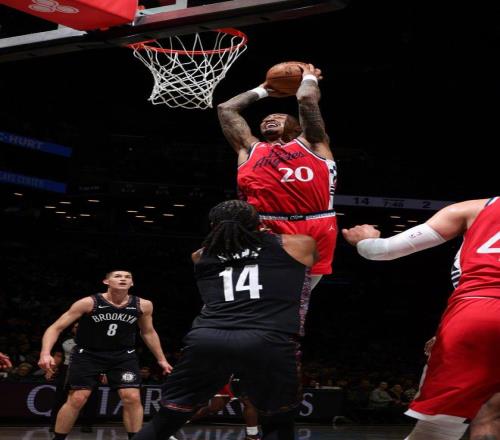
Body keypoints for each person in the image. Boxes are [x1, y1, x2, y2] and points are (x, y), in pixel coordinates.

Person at [132, 199, 317, 440]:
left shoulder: (200, 256)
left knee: (166, 420)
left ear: (214, 226)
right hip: (267, 339)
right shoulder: (298, 244)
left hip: (208, 339)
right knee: (277, 423)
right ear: (259, 223)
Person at [342, 197, 500, 440]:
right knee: (491, 414)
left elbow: (383, 250)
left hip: (475, 314)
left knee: (437, 431)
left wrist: (365, 240)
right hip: (477, 314)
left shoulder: (473, 208)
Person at [217, 63, 336, 289]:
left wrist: (308, 78)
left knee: (296, 299)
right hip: (263, 225)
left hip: (315, 223)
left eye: (279, 116)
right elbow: (226, 109)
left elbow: (306, 99)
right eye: (265, 118)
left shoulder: (314, 143)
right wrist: (263, 90)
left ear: (296, 127)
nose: (269, 118)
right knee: (257, 296)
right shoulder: (249, 149)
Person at [38, 270, 172, 440]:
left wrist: (161, 359)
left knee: (132, 397)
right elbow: (55, 327)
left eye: (128, 277)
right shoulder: (89, 303)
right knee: (78, 398)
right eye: (118, 276)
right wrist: (45, 353)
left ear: (132, 283)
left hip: (123, 355)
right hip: (88, 354)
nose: (123, 279)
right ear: (106, 282)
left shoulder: (143, 305)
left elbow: (148, 332)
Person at [47, 322, 95, 433]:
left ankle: (87, 424)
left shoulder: (94, 340)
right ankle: (54, 424)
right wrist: (51, 369)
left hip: (88, 370)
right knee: (60, 398)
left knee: (90, 398)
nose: (78, 329)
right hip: (67, 370)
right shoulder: (64, 340)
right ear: (73, 329)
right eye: (76, 327)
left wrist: (102, 372)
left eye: (81, 327)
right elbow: (58, 356)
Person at [191, 379, 260, 440]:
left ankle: (252, 435)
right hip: (230, 375)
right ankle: (185, 418)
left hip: (248, 376)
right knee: (214, 408)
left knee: (248, 402)